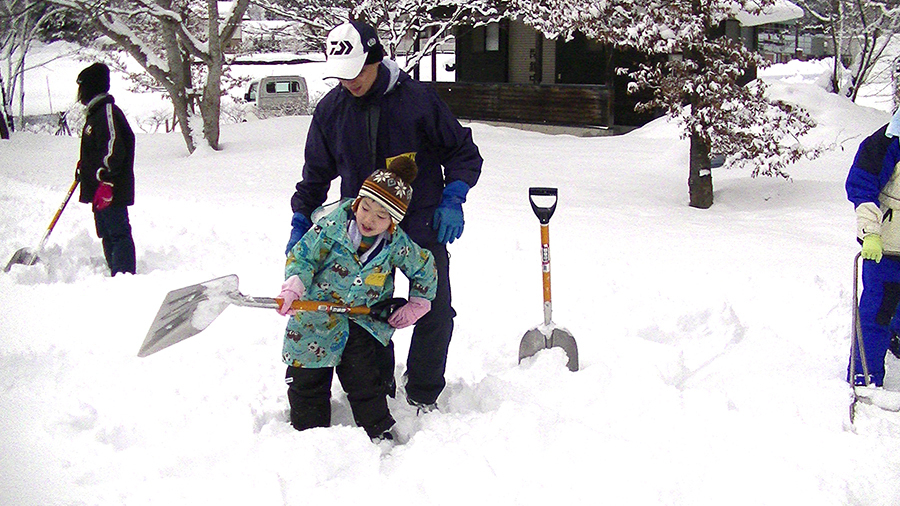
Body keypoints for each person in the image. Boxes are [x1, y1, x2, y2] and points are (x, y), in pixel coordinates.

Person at [286, 21, 483, 412]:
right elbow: (315, 175)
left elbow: (462, 152)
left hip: (420, 225)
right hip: (358, 233)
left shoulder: (418, 102)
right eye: (342, 75)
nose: (350, 82)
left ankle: (424, 391)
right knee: (362, 315)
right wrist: (300, 222)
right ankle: (376, 387)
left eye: (357, 71)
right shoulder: (330, 111)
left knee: (435, 310)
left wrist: (453, 196)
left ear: (375, 59)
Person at [278, 158, 438, 441]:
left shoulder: (396, 243)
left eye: (380, 216)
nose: (369, 219)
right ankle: (308, 437)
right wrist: (295, 285)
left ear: (393, 221)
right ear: (356, 203)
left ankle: (378, 430)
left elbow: (424, 267)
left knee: (365, 378)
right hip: (314, 317)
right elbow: (303, 257)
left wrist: (418, 303)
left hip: (360, 320)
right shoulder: (330, 228)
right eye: (365, 208)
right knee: (307, 379)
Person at [846, 107, 900, 387]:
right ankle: (865, 376)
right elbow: (862, 187)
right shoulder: (886, 142)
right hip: (887, 249)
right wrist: (870, 234)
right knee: (878, 311)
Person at [75, 62, 136, 276]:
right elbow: (97, 148)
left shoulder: (106, 111)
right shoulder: (95, 114)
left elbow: (114, 147)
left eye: (81, 87)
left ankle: (124, 275)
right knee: (106, 232)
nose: (79, 93)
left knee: (118, 232)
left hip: (110, 188)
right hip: (99, 188)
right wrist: (85, 167)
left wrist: (104, 176)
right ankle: (114, 271)